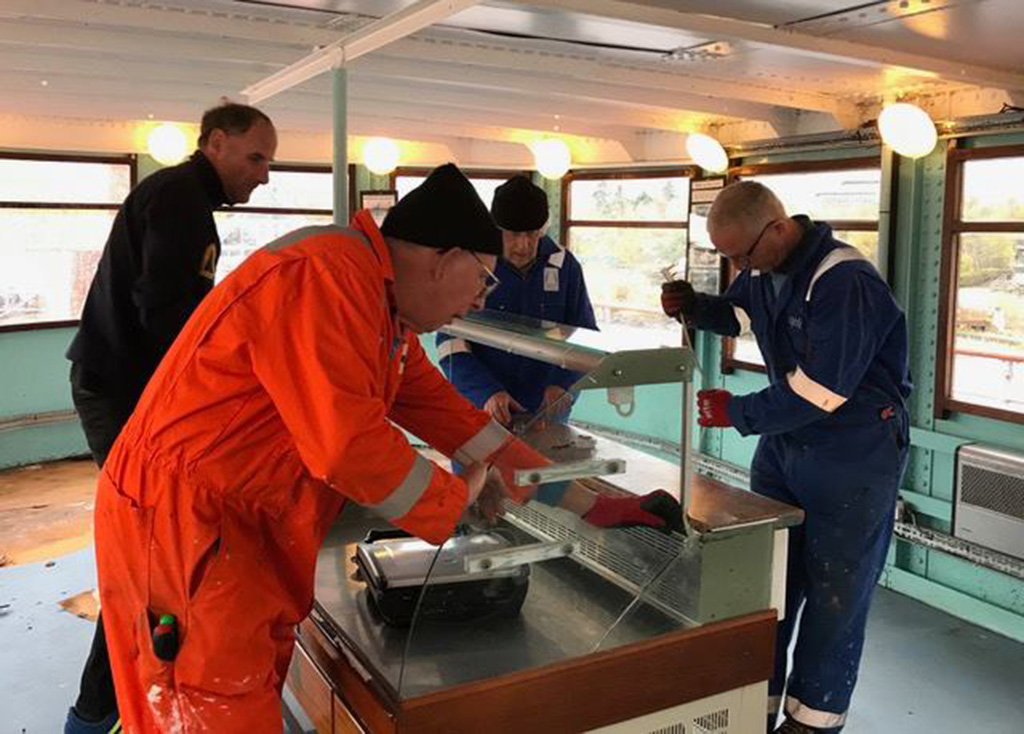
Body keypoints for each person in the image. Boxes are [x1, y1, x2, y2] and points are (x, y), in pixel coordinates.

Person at [93, 164, 681, 733]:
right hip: (182, 526)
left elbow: (461, 424)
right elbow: (347, 447)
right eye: (482, 278)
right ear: (443, 259)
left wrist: (591, 503)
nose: (480, 300)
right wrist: (456, 498)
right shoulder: (326, 276)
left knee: (243, 692)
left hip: (243, 529)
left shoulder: (385, 316)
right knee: (204, 705)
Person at [661, 181, 911, 734]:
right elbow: (745, 318)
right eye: (727, 259)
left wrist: (737, 412)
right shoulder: (765, 268)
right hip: (785, 447)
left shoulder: (844, 281)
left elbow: (822, 389)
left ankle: (812, 720)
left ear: (776, 230)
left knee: (834, 591)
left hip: (852, 453)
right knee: (768, 581)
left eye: (740, 256)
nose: (737, 267)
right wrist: (698, 307)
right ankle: (758, 702)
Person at [64, 102, 277, 734]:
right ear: (215, 143)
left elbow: (182, 312)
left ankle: (111, 702)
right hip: (122, 391)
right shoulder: (180, 197)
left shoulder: (185, 198)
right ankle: (96, 710)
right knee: (150, 547)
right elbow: (167, 317)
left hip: (132, 388)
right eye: (255, 157)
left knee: (158, 548)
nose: (263, 175)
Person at [437, 175, 596, 428]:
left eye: (532, 234)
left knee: (542, 467)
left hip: (546, 410)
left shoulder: (565, 266)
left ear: (542, 229)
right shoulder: (473, 263)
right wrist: (485, 391)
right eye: (513, 235)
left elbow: (586, 337)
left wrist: (563, 384)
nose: (523, 246)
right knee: (479, 468)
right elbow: (449, 341)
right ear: (496, 228)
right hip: (481, 405)